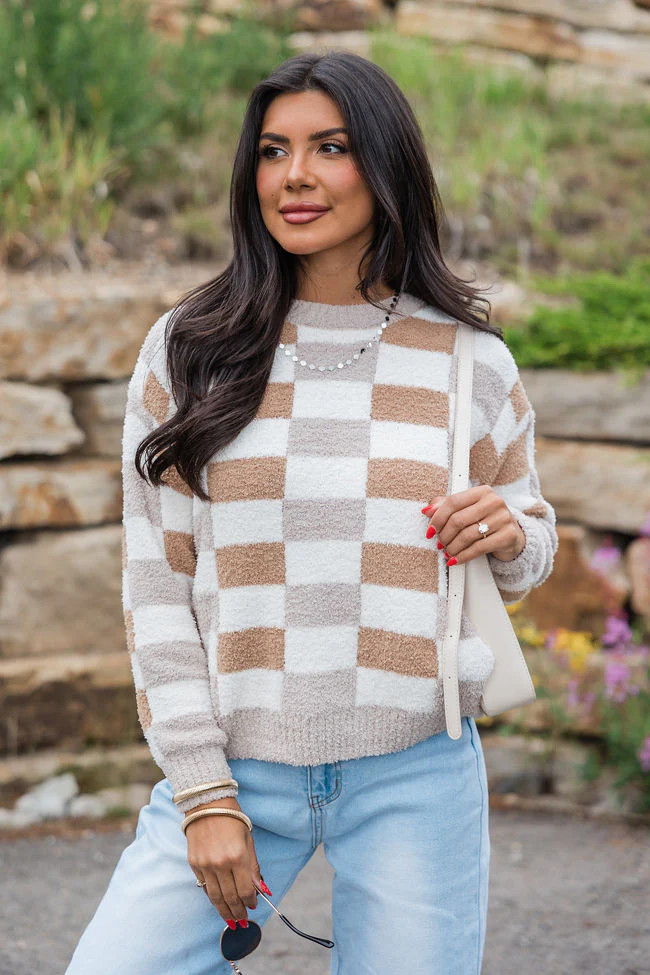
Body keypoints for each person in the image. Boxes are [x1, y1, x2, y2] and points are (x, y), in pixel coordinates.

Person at [65, 49, 558, 974]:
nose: (293, 175)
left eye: (330, 147)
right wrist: (204, 792)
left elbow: (527, 548)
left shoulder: (469, 359)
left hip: (417, 766)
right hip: (238, 768)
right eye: (272, 150)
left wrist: (510, 530)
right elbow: (158, 587)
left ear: (385, 163)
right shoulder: (189, 350)